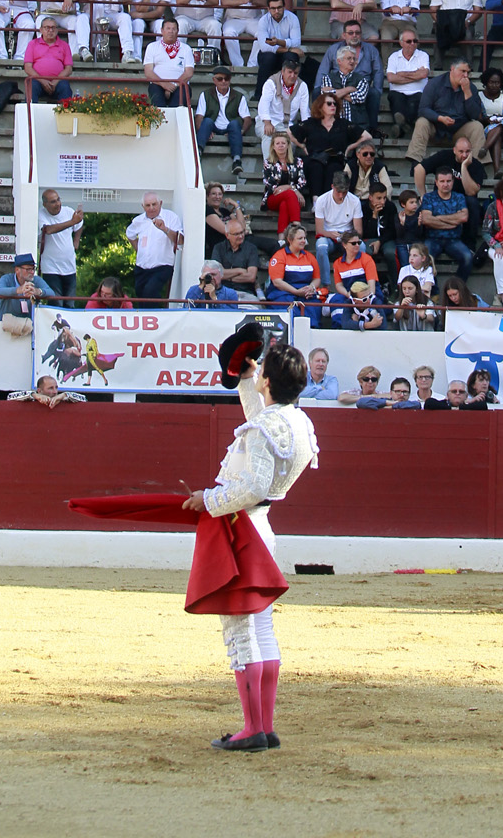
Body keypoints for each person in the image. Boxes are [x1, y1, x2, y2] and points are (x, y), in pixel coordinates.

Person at [182, 341, 317, 752]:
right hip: (264, 529)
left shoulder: (267, 429)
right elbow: (263, 427)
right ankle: (264, 726)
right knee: (261, 627)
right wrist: (247, 381)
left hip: (243, 530)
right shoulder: (297, 422)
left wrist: (208, 500)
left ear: (271, 381)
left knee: (241, 629)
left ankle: (252, 729)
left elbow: (254, 483)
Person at [405, 59, 486, 167]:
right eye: (463, 71)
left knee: (477, 126)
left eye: (468, 72)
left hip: (458, 130)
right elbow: (423, 109)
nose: (465, 75)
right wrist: (439, 118)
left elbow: (475, 115)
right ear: (452, 69)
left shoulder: (471, 88)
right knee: (421, 122)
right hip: (436, 128)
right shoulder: (435, 84)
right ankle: (415, 163)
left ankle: (478, 166)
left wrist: (467, 93)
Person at [291, 92, 370, 200]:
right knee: (316, 167)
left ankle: (328, 201)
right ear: (320, 106)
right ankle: (316, 201)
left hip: (335, 157)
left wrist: (350, 147)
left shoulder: (343, 124)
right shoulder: (311, 123)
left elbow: (367, 136)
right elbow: (288, 133)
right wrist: (301, 145)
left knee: (333, 168)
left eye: (335, 104)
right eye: (329, 103)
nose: (333, 106)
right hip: (315, 157)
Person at [126, 192, 183, 304]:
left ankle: (156, 318)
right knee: (141, 296)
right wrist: (139, 251)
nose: (151, 208)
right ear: (143, 206)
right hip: (141, 267)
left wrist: (165, 229)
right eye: (148, 205)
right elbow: (130, 234)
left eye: (154, 204)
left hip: (162, 266)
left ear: (160, 203)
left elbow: (180, 240)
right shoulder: (138, 220)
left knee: (150, 293)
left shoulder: (171, 217)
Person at [195, 66, 252, 173]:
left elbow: (247, 119)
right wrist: (204, 130)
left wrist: (241, 131)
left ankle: (237, 160)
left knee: (235, 124)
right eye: (220, 79)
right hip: (213, 126)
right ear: (214, 80)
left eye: (227, 78)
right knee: (206, 121)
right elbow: (199, 117)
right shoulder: (206, 95)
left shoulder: (238, 96)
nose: (224, 81)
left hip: (230, 128)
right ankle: (198, 152)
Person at [420, 167, 473, 279]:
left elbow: (464, 217)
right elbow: (426, 220)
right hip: (432, 238)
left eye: (448, 181)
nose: (445, 184)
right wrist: (452, 223)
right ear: (436, 182)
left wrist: (438, 218)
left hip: (454, 239)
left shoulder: (459, 197)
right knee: (424, 259)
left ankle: (457, 289)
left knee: (468, 257)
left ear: (453, 182)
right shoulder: (429, 197)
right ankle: (434, 292)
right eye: (442, 181)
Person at [266, 223, 323, 326]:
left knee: (313, 308)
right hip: (284, 293)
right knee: (289, 311)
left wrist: (311, 288)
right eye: (300, 238)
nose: (303, 241)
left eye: (304, 238)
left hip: (305, 293)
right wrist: (296, 292)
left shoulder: (310, 257)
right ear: (290, 239)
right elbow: (277, 282)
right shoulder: (279, 256)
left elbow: (317, 278)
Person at [313, 172, 363, 288]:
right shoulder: (322, 200)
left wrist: (347, 236)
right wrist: (330, 234)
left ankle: (357, 283)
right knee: (321, 246)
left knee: (361, 246)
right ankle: (325, 285)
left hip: (348, 236)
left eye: (344, 192)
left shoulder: (354, 201)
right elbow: (319, 230)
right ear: (332, 187)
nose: (341, 195)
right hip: (328, 236)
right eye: (338, 192)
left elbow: (359, 231)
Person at [256, 56, 311, 161]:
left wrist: (306, 130)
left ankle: (287, 168)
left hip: (288, 124)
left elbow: (305, 112)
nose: (292, 76)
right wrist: (267, 123)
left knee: (293, 139)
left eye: (295, 73)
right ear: (283, 71)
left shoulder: (302, 86)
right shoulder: (271, 83)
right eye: (289, 72)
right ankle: (270, 167)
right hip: (267, 121)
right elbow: (264, 105)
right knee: (268, 136)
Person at [37, 189, 83, 304]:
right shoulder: (40, 214)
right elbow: (48, 229)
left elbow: (80, 224)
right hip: (50, 267)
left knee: (70, 304)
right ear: (45, 204)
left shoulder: (68, 211)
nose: (57, 204)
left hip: (69, 266)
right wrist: (72, 222)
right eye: (53, 202)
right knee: (56, 303)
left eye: (58, 200)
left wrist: (76, 241)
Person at [262, 129, 308, 235]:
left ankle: (281, 239)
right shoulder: (268, 162)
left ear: (288, 145)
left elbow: (302, 181)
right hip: (273, 197)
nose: (280, 145)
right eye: (277, 143)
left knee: (284, 204)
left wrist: (288, 187)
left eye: (283, 143)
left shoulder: (297, 162)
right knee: (289, 194)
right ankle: (298, 228)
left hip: (290, 199)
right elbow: (268, 183)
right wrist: (293, 190)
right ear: (273, 146)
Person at [385, 28, 429, 136]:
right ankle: (406, 125)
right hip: (397, 92)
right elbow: (391, 78)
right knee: (396, 99)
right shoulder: (394, 57)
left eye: (415, 41)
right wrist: (415, 74)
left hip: (418, 92)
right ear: (401, 43)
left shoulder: (423, 55)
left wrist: (400, 74)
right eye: (409, 41)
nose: (413, 44)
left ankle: (401, 127)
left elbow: (423, 74)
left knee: (416, 101)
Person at [0, 253, 54, 336]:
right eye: (28, 269)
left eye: (33, 269)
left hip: (31, 326)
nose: (32, 272)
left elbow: (52, 293)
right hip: (7, 326)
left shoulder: (36, 280)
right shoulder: (7, 279)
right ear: (17, 270)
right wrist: (18, 290)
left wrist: (38, 291)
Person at [143, 17, 195, 108]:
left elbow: (189, 72)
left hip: (179, 85)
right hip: (157, 85)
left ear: (178, 31)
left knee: (178, 103)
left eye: (173, 29)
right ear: (162, 31)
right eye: (168, 28)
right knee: (158, 103)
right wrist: (164, 84)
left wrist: (173, 86)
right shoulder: (152, 47)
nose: (171, 31)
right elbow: (148, 72)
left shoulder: (186, 48)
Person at [23, 15, 74, 104]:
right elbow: (27, 67)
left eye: (53, 28)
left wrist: (55, 81)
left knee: (65, 87)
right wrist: (42, 81)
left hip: (58, 82)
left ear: (57, 30)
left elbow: (68, 69)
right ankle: (29, 116)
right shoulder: (32, 44)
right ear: (41, 30)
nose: (50, 30)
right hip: (38, 81)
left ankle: (65, 115)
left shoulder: (64, 45)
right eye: (47, 28)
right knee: (31, 87)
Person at [211, 219, 260, 301]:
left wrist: (227, 276)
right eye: (236, 234)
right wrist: (240, 270)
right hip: (222, 292)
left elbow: (251, 277)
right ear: (227, 235)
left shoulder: (251, 249)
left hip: (245, 293)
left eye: (242, 232)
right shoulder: (218, 248)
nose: (241, 236)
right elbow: (217, 274)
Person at [8, 374, 85, 407]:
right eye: (50, 388)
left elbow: (84, 399)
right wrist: (34, 395)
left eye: (56, 387)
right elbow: (10, 397)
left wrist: (64, 395)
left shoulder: (63, 398)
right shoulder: (32, 398)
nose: (55, 391)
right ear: (39, 390)